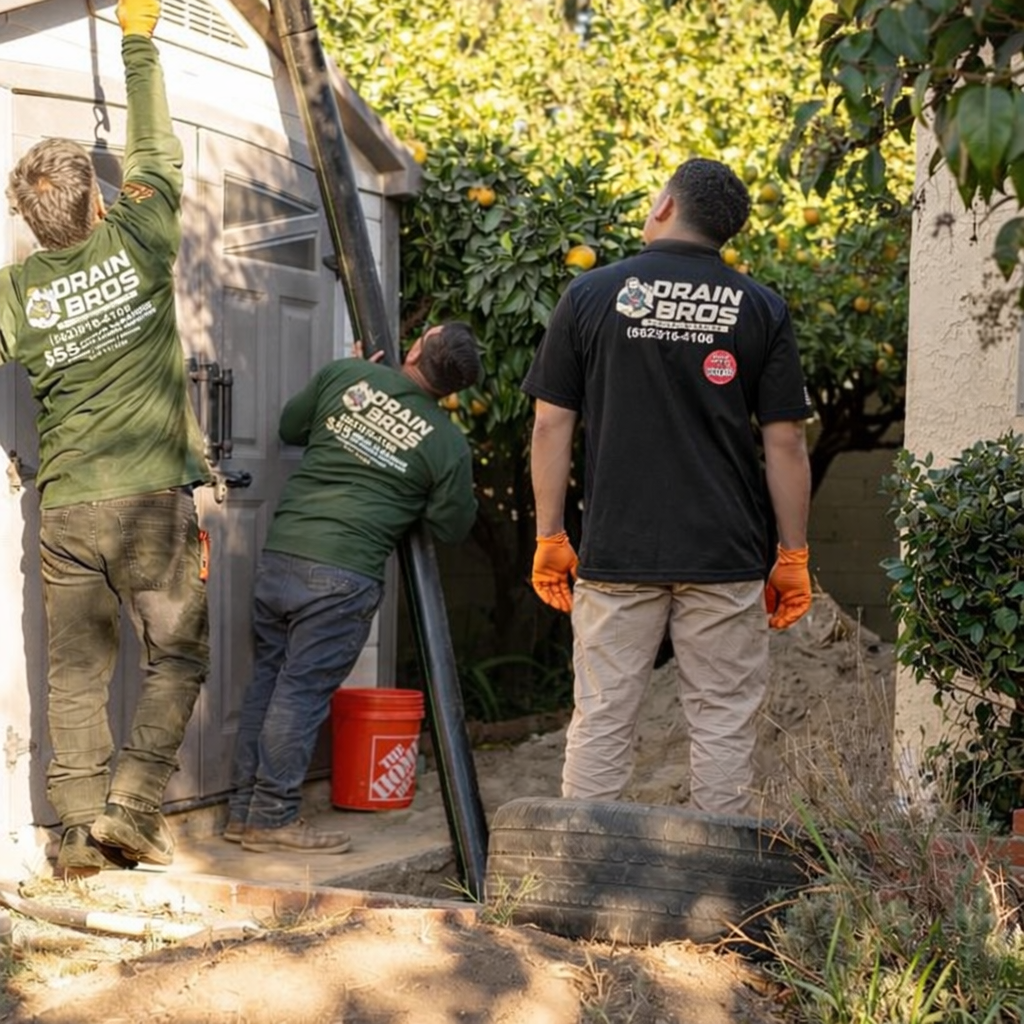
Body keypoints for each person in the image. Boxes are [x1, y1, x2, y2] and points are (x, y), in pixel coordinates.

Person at [523, 157, 813, 816]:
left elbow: (550, 425)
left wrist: (549, 535)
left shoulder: (591, 295)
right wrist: (792, 555)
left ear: (663, 206)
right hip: (726, 553)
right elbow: (786, 442)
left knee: (601, 718)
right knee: (721, 725)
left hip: (618, 547)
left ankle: (580, 880)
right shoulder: (762, 307)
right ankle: (716, 895)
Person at [0, 0, 211, 877]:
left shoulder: (15, 294)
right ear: (97, 199)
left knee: (77, 676)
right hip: (150, 505)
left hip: (68, 509)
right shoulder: (139, 236)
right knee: (182, 652)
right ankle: (131, 808)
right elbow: (157, 150)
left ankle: (78, 834)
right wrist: (136, 39)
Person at [225, 322, 481, 853]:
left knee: (269, 683)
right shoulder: (447, 442)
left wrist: (364, 380)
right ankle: (271, 818)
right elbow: (450, 525)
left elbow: (291, 426)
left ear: (415, 350)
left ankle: (243, 814)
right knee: (297, 694)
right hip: (344, 575)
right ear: (454, 389)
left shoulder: (349, 376)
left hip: (283, 554)